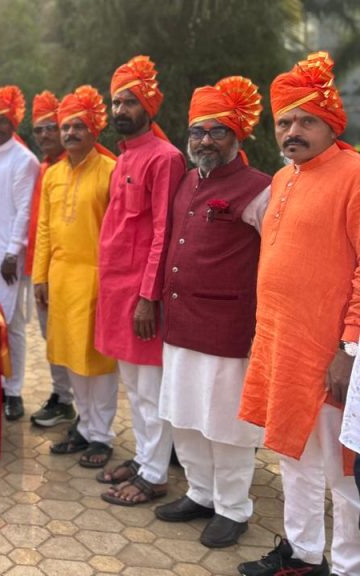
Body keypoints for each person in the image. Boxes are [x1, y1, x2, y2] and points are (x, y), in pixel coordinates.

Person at [238, 52, 360, 576]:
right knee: (293, 455)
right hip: (282, 346)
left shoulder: (354, 174)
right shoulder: (282, 178)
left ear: (332, 124)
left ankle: (349, 565)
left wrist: (348, 349)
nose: (292, 131)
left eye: (306, 121)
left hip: (332, 354)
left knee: (342, 474)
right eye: (284, 121)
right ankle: (304, 553)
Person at [155, 77, 269, 548]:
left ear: (237, 135)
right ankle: (200, 493)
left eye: (217, 131)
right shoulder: (186, 180)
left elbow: (273, 261)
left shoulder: (259, 189)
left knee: (226, 425)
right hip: (180, 323)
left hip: (227, 329)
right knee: (183, 415)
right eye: (198, 131)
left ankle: (233, 508)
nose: (205, 140)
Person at [96, 55, 185, 507]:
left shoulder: (166, 158)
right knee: (134, 387)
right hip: (116, 291)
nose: (121, 110)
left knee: (150, 389)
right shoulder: (124, 157)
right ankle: (146, 457)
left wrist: (149, 296)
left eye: (130, 102)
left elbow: (164, 232)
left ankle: (154, 475)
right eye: (116, 102)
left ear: (148, 106)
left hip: (140, 295)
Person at [33, 86, 119, 470]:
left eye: (77, 126)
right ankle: (84, 426)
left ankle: (102, 435)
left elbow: (118, 233)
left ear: (94, 129)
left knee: (97, 362)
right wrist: (40, 276)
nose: (69, 133)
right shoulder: (52, 175)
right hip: (61, 278)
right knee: (70, 356)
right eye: (65, 127)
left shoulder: (111, 170)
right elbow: (45, 229)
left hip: (97, 279)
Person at [0, 86, 40, 421]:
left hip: (7, 259)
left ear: (13, 122)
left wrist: (12, 253)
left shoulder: (24, 160)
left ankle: (13, 391)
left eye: (3, 120)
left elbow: (24, 210)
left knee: (12, 324)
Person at [26, 91, 76, 429]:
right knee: (52, 338)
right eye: (38, 129)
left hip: (75, 273)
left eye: (51, 127)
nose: (45, 135)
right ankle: (63, 398)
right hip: (43, 271)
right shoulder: (44, 168)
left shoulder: (81, 165)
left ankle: (86, 413)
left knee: (75, 340)